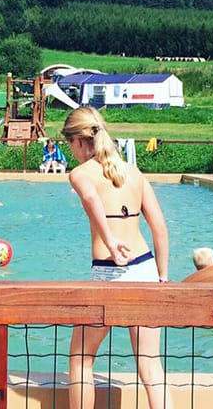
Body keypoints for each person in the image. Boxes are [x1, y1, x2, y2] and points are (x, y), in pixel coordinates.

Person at [60, 106, 172, 409]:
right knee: (151, 366)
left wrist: (110, 240)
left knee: (81, 358)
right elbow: (160, 228)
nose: (70, 151)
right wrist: (162, 277)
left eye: (69, 143)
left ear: (78, 140)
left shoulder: (80, 174)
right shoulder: (133, 173)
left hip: (110, 271)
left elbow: (90, 199)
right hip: (146, 269)